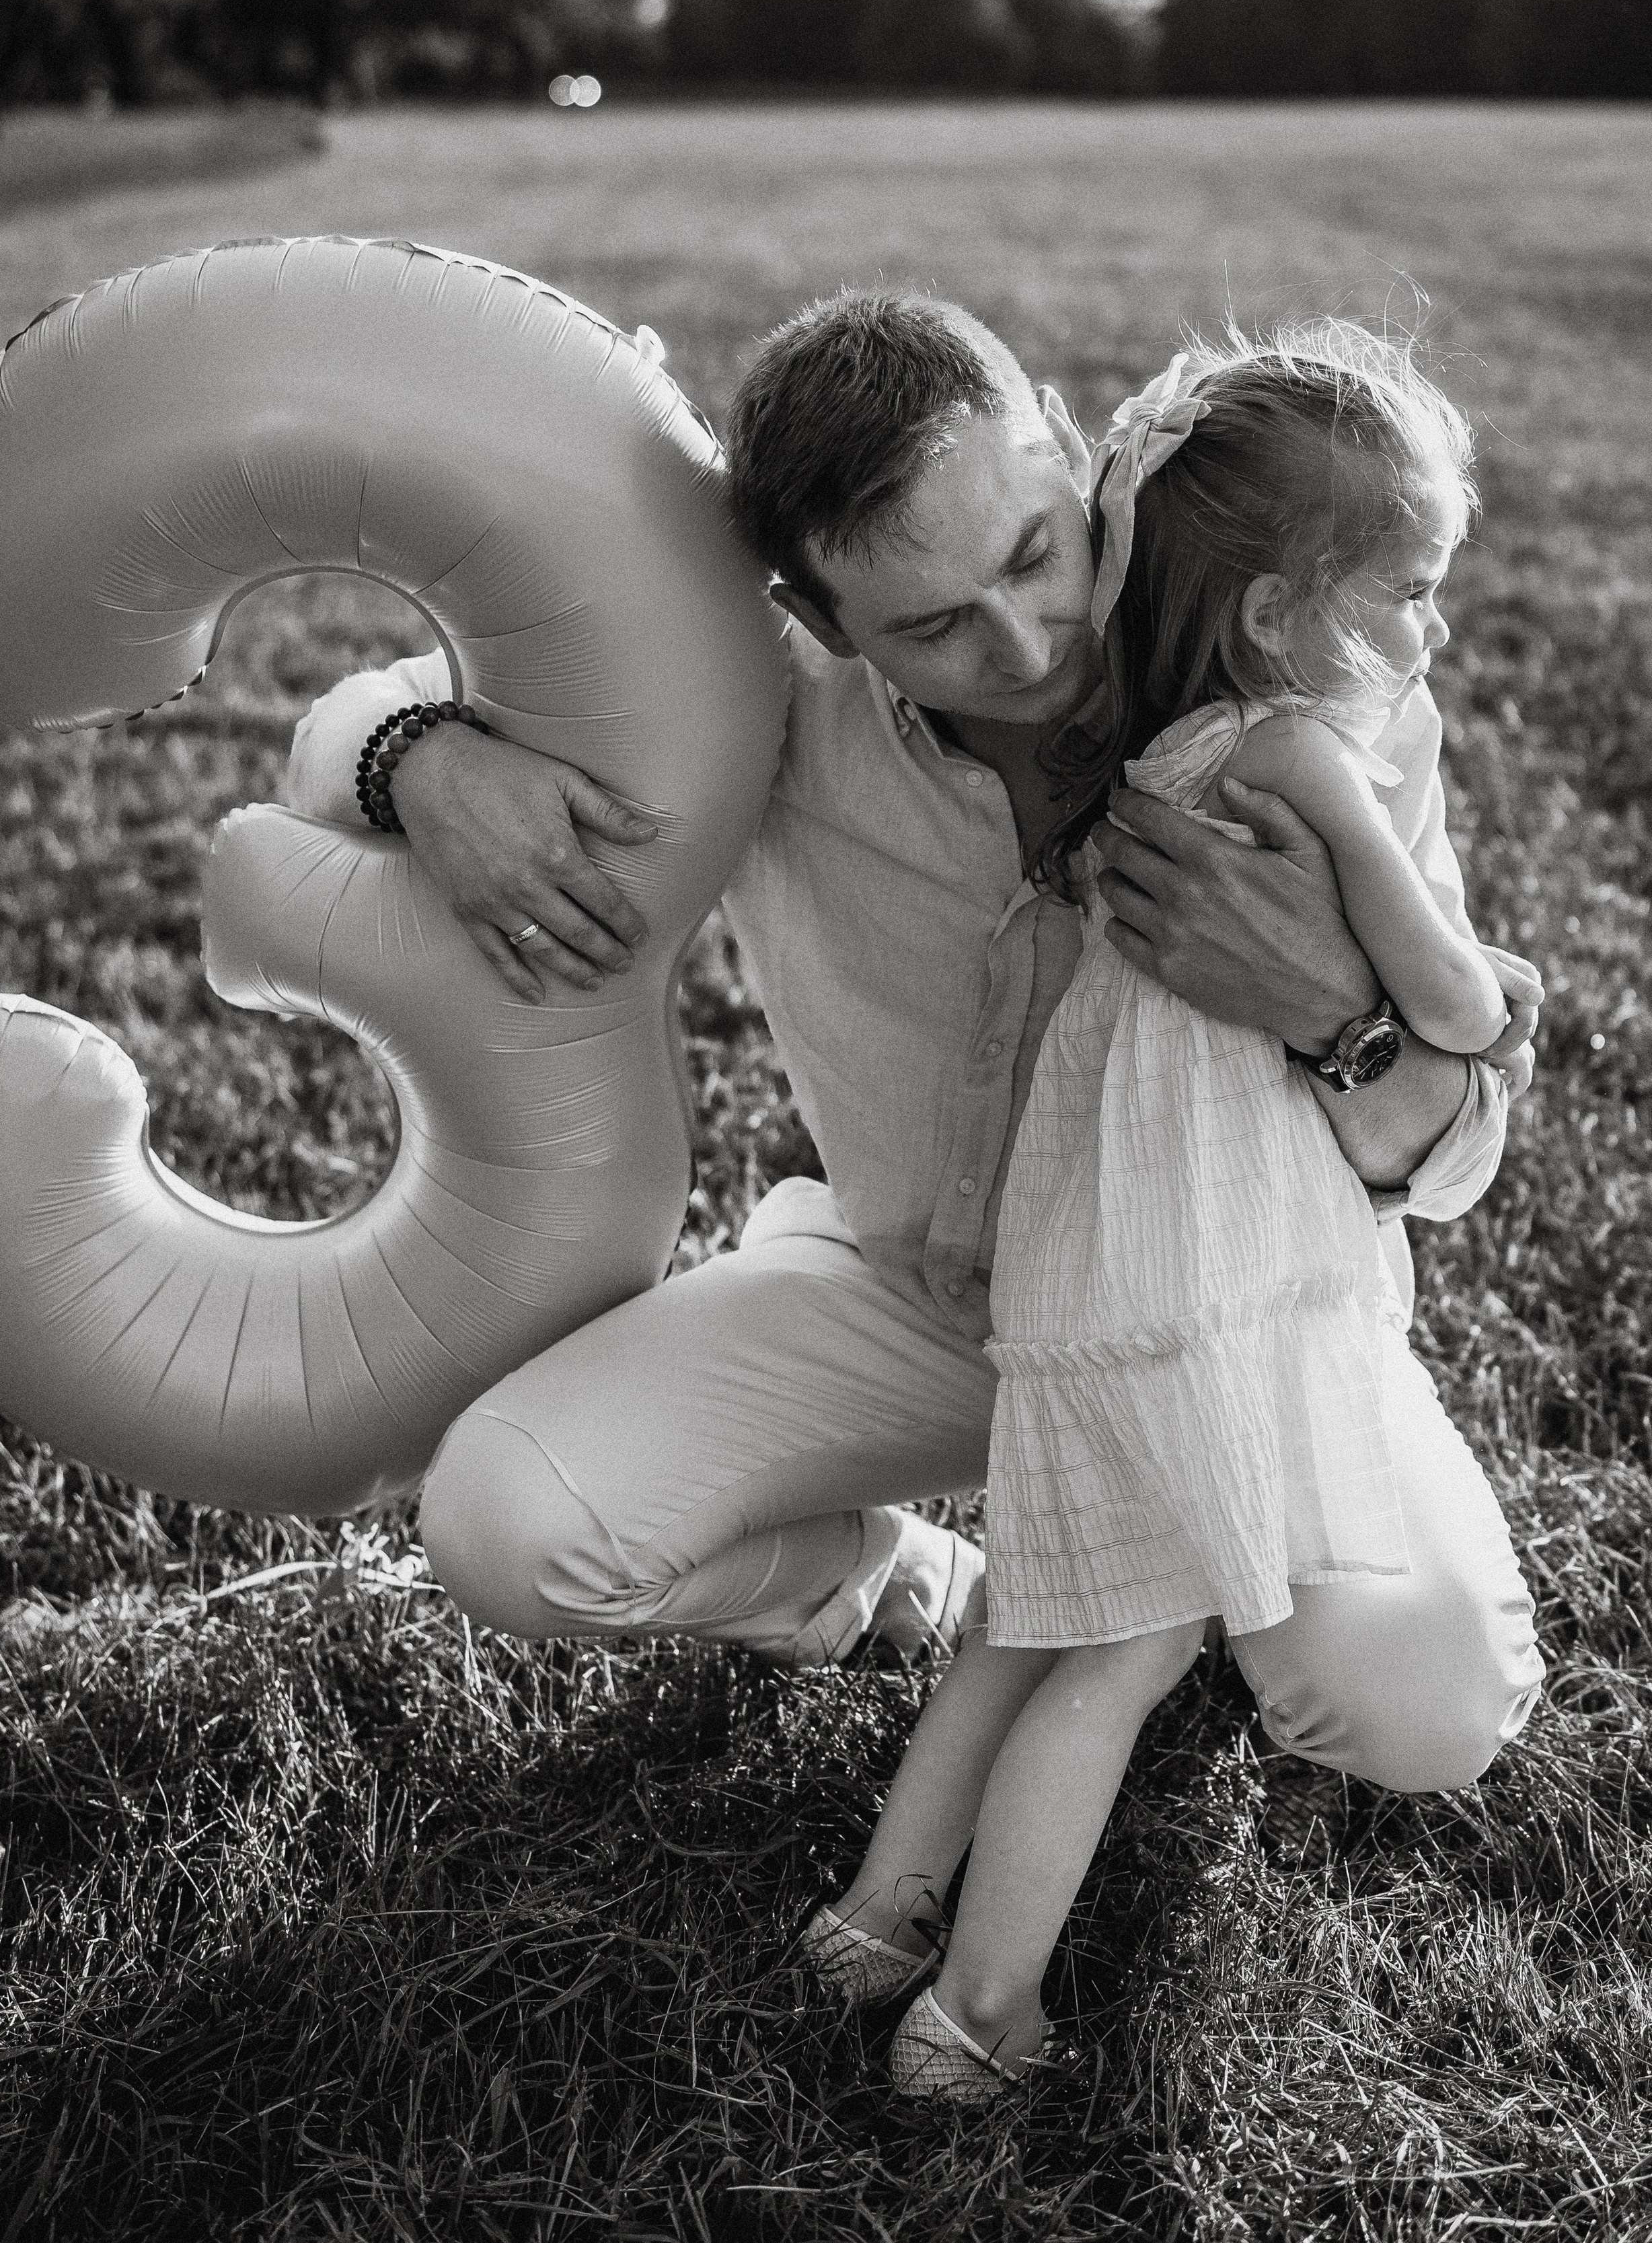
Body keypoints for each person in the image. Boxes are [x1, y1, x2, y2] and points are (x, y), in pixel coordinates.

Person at [282, 291, 1542, 1792]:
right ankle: (901, 1586)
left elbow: (1457, 1160)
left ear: (1062, 451)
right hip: (919, 1308)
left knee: (1424, 1710)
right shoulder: (742, 686)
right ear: (820, 622)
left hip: (1241, 1328)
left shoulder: (1302, 687)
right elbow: (334, 727)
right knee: (508, 1522)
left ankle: (1188, 1578)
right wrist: (421, 762)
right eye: (931, 625)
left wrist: (1330, 1012)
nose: (1020, 645)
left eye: (1033, 555)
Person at [800, 326, 1542, 2099]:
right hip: (1212, 1293)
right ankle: (977, 2013)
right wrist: (1494, 993)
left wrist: (1356, 1010)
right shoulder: (1291, 756)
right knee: (1116, 1657)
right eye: (1409, 595)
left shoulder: (1142, 770)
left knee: (1030, 1620)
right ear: (1282, 613)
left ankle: (875, 1914)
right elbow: (1453, 1000)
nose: (1431, 636)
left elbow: (1413, 1114)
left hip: (1085, 1268)